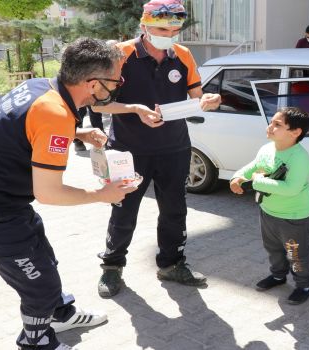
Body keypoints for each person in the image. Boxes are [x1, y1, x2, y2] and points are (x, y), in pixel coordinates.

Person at [0, 38, 143, 350]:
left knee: (45, 260)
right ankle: (36, 341)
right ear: (93, 84)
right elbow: (49, 193)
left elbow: (21, 125)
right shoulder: (55, 114)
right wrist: (101, 194)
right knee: (38, 283)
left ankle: (60, 315)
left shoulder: (42, 87)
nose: (119, 86)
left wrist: (77, 133)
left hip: (3, 200)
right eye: (116, 81)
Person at [92, 0, 221, 298]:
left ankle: (172, 263)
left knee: (175, 210)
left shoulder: (183, 55)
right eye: (163, 28)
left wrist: (208, 100)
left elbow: (196, 96)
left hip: (174, 148)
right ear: (144, 25)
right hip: (128, 150)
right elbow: (98, 101)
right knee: (124, 210)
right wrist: (135, 109)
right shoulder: (120, 54)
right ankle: (112, 267)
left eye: (175, 28)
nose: (170, 33)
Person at [230, 107, 309, 305]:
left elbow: (292, 188)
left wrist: (255, 181)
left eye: (278, 125)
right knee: (273, 247)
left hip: (294, 216)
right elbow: (254, 165)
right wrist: (237, 177)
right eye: (271, 122)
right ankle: (278, 276)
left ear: (295, 132)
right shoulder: (268, 148)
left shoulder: (299, 158)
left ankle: (303, 285)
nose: (270, 127)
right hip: (268, 210)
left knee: (296, 253)